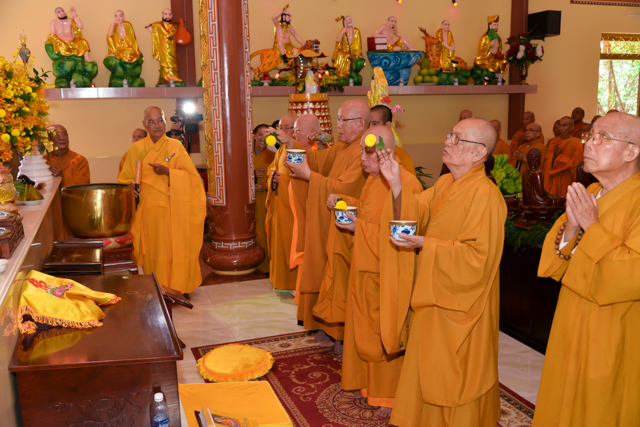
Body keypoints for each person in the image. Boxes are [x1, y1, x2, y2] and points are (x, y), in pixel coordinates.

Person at [378, 118, 506, 427]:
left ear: (479, 153)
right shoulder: (446, 183)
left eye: (458, 138)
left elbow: (478, 258)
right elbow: (416, 211)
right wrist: (395, 183)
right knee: (427, 365)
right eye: (450, 134)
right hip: (434, 292)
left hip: (463, 302)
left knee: (457, 375)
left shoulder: (486, 195)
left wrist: (427, 244)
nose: (448, 141)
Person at [534, 112, 640, 426]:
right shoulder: (589, 193)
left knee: (600, 405)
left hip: (612, 325)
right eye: (590, 136)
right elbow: (556, 263)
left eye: (602, 137)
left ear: (631, 152)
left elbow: (633, 274)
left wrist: (591, 227)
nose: (589, 144)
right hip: (570, 315)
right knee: (562, 395)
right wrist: (571, 227)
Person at [327, 126, 422, 416]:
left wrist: (359, 228)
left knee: (386, 332)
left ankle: (390, 396)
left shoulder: (405, 184)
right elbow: (370, 211)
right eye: (360, 151)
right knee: (364, 329)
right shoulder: (373, 179)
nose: (361, 158)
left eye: (367, 153)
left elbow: (403, 233)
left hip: (387, 271)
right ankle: (368, 385)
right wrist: (345, 202)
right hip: (366, 264)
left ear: (387, 152)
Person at [285, 99, 369, 342]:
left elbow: (345, 188)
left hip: (347, 228)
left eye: (343, 120)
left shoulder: (362, 150)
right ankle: (323, 326)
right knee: (323, 269)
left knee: (338, 275)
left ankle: (338, 332)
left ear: (361, 124)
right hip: (329, 223)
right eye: (338, 119)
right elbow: (318, 161)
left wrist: (309, 176)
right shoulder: (343, 147)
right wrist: (292, 144)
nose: (338, 125)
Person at [118, 106, 206, 294]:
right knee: (153, 250)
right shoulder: (136, 149)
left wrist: (168, 172)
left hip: (173, 208)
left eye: (160, 120)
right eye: (152, 121)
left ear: (165, 121)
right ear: (145, 124)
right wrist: (130, 186)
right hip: (148, 210)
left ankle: (176, 288)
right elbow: (125, 178)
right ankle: (156, 288)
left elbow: (192, 178)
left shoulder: (176, 147)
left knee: (174, 248)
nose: (157, 125)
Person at [265, 115, 320, 291]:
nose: (291, 134)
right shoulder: (282, 149)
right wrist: (273, 177)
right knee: (279, 244)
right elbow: (272, 169)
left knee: (294, 244)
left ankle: (294, 283)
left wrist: (284, 180)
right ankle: (281, 281)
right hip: (280, 204)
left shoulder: (314, 150)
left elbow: (312, 179)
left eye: (291, 129)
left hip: (296, 209)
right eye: (280, 127)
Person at [542, 116, 583, 197]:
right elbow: (547, 165)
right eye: (559, 125)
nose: (560, 128)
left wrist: (560, 156)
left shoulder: (577, 143)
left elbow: (576, 166)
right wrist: (555, 157)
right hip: (552, 180)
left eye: (564, 125)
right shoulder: (554, 142)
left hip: (567, 181)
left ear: (571, 128)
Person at [253, 124, 275, 273]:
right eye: (260, 134)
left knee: (265, 233)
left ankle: (267, 268)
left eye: (267, 135)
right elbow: (234, 175)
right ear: (254, 136)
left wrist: (265, 186)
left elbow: (282, 178)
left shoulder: (273, 156)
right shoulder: (244, 155)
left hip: (266, 199)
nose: (263, 138)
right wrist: (252, 174)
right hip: (247, 200)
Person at [370, 105, 416, 176]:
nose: (370, 128)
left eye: (374, 124)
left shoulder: (401, 156)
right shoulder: (364, 152)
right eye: (368, 124)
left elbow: (410, 181)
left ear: (387, 125)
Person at [145, 8, 183, 86]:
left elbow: (168, 35)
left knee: (172, 65)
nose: (167, 16)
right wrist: (150, 28)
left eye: (169, 14)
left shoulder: (173, 27)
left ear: (172, 16)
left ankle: (174, 78)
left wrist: (158, 26)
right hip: (162, 50)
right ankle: (164, 80)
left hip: (170, 51)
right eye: (166, 14)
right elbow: (155, 36)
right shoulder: (158, 25)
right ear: (162, 15)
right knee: (163, 65)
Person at [473, 15, 508, 80]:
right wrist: (489, 44)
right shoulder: (484, 37)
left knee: (504, 62)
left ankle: (499, 79)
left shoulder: (498, 38)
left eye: (497, 25)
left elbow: (499, 52)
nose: (496, 27)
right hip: (485, 59)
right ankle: (485, 76)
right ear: (489, 26)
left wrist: (502, 52)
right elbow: (481, 50)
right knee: (477, 61)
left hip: (495, 60)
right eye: (494, 25)